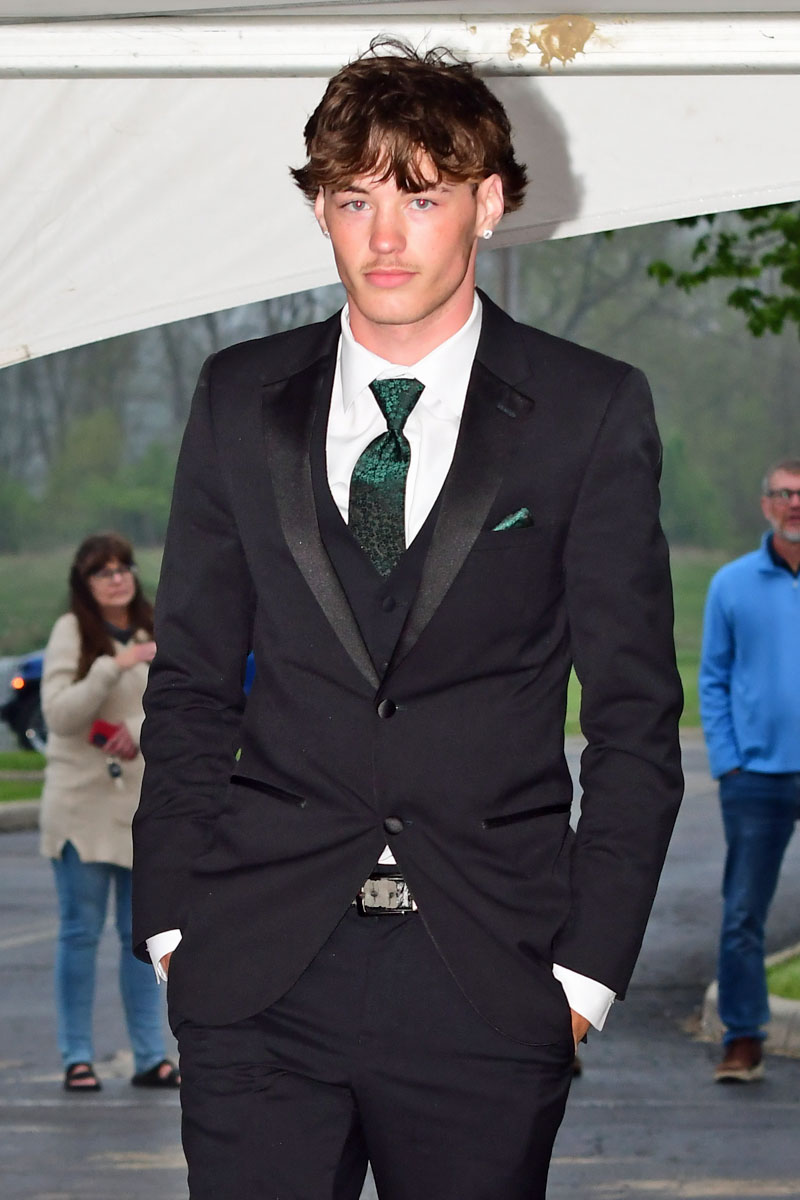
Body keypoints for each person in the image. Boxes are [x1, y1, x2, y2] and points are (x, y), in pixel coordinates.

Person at [132, 40, 683, 1199]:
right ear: (321, 212)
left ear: (485, 203)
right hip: (256, 972)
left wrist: (583, 977)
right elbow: (187, 679)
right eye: (354, 200)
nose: (384, 238)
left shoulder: (586, 411)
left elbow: (634, 717)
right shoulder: (240, 397)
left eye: (420, 197)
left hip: (487, 971)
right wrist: (172, 921)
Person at [40, 532, 179, 1093]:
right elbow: (60, 716)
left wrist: (136, 732)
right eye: (103, 571)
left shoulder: (155, 629)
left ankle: (150, 1055)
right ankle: (77, 1055)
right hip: (81, 806)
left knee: (140, 936)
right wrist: (110, 667)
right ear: (84, 582)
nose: (116, 578)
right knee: (79, 933)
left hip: (140, 807)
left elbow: (177, 706)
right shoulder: (71, 632)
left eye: (123, 568)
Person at [699, 457, 800, 1084]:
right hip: (755, 780)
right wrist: (728, 761)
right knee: (743, 913)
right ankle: (742, 1039)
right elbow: (712, 678)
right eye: (785, 494)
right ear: (765, 504)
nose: (795, 504)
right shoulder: (731, 585)